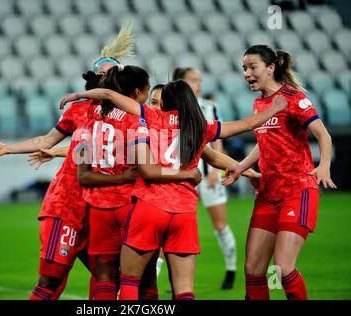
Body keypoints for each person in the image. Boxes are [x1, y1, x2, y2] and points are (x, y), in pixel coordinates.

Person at [60, 75, 288, 300]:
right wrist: (274, 109)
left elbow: (110, 95)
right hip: (185, 213)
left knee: (130, 281)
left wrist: (79, 95)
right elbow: (243, 126)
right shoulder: (199, 127)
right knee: (184, 291)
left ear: (165, 103)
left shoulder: (151, 118)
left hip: (150, 207)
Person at [0, 24, 135, 300]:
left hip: (98, 212)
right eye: (104, 76)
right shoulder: (79, 109)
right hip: (68, 208)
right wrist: (8, 149)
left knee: (107, 281)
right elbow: (47, 141)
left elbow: (89, 151)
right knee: (51, 283)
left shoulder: (126, 115)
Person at [222, 45, 337, 300]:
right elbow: (265, 144)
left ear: (270, 68)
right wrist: (242, 167)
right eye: (244, 69)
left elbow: (323, 135)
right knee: (253, 270)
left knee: (283, 268)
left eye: (252, 67)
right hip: (267, 194)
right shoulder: (259, 104)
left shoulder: (293, 98)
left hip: (297, 192)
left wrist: (324, 164)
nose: (246, 73)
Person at [173, 67, 237, 289]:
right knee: (175, 227)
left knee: (220, 224)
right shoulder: (172, 106)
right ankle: (175, 278)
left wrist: (215, 173)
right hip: (180, 173)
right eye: (193, 80)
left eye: (199, 80)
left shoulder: (210, 107)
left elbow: (217, 139)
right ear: (180, 83)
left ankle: (231, 270)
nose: (198, 84)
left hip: (208, 171)